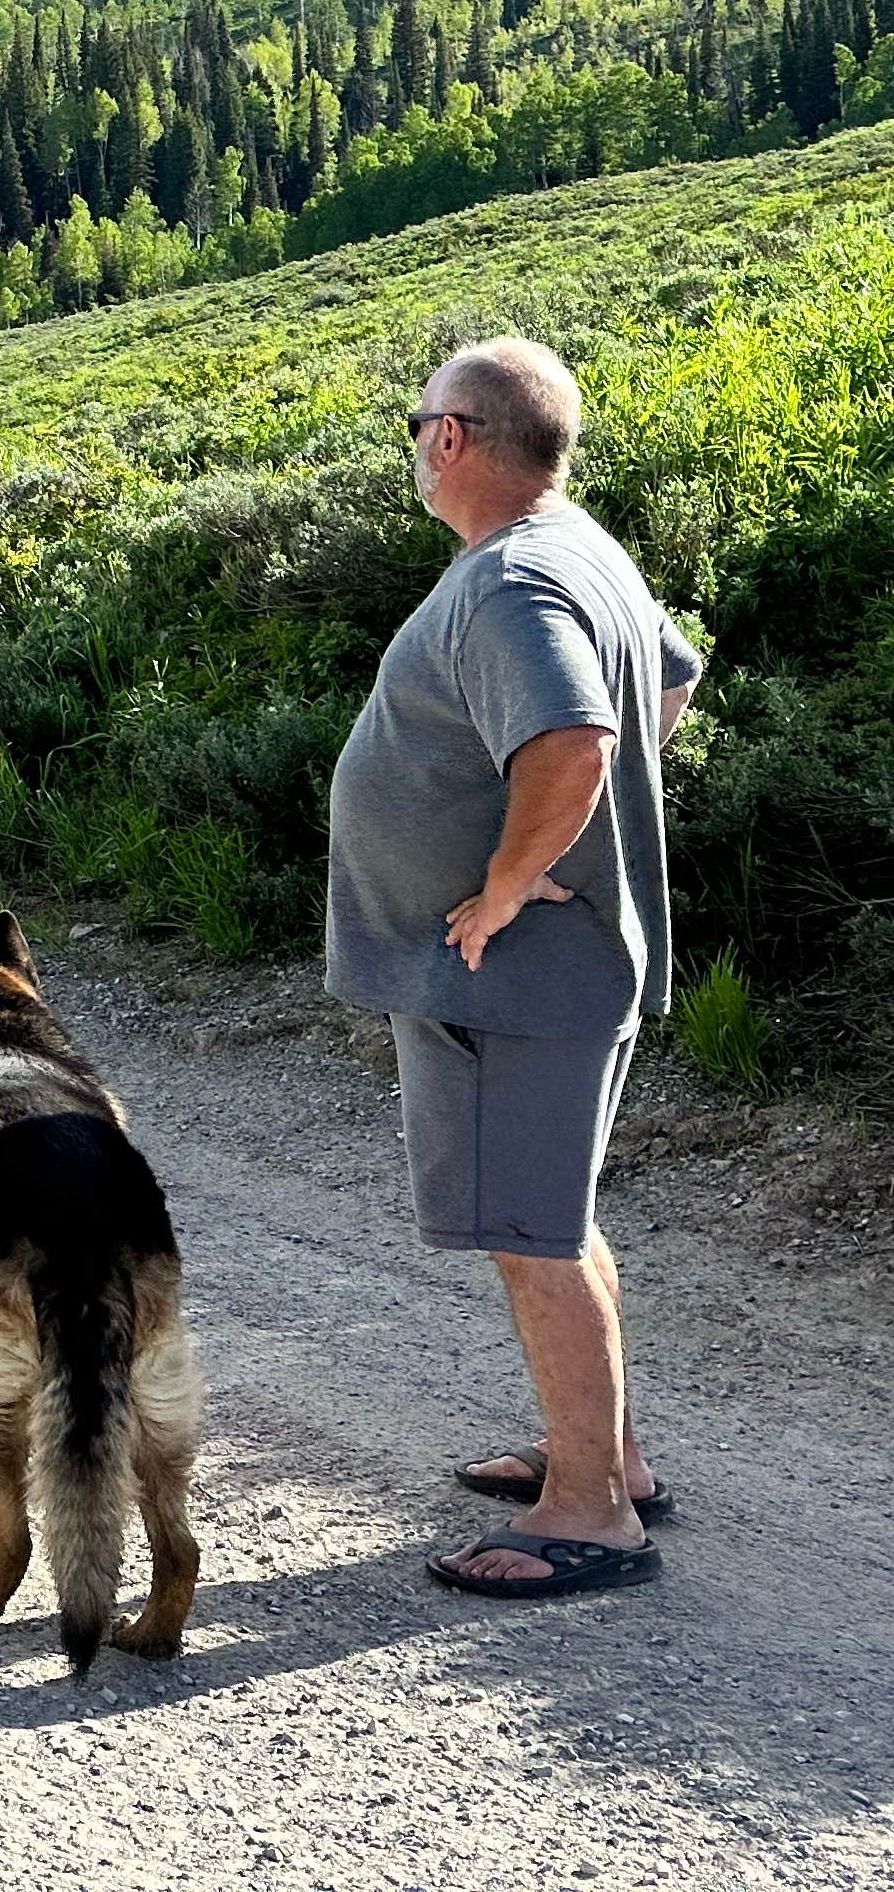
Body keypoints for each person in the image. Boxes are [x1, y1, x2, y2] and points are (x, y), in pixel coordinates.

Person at [323, 337, 701, 1601]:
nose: (415, 444)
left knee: (534, 1234)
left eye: (417, 423)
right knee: (553, 1215)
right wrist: (569, 840)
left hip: (511, 974)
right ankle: (608, 1456)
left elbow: (577, 738)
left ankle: (591, 1512)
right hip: (552, 967)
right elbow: (670, 678)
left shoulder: (512, 580)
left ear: (452, 437)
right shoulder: (574, 546)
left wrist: (507, 878)